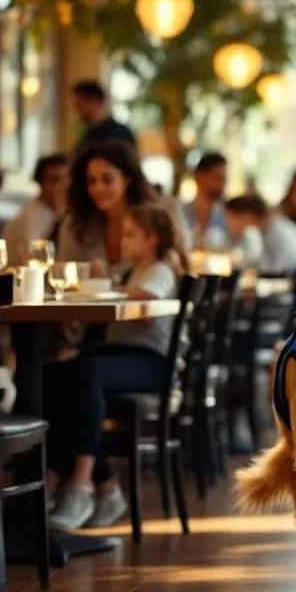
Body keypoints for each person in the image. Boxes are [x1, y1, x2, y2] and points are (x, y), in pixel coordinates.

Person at [45, 202, 184, 530]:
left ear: (152, 240)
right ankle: (91, 482)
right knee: (50, 376)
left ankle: (80, 484)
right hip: (122, 356)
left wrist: (110, 288)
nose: (123, 241)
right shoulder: (131, 269)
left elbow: (148, 300)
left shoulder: (160, 268)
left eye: (131, 235)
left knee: (85, 372)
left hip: (152, 364)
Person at [58, 141, 187, 280]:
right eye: (91, 181)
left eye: (107, 180)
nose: (98, 188)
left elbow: (178, 266)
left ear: (127, 180)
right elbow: (62, 276)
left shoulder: (160, 214)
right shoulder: (76, 224)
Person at [3, 154, 70, 264]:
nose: (61, 186)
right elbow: (32, 262)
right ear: (40, 183)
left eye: (66, 179)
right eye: (54, 180)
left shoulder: (59, 212)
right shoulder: (31, 217)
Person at [223, 194, 296, 274]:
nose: (230, 225)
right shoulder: (263, 232)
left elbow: (279, 271)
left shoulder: (283, 233)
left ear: (246, 216)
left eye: (232, 220)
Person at [73, 80, 136, 150]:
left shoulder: (120, 134)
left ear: (94, 101)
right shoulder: (88, 135)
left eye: (78, 105)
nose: (76, 110)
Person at [188, 152, 229, 248]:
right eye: (218, 178)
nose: (222, 185)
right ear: (199, 176)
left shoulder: (227, 217)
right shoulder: (180, 215)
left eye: (224, 180)